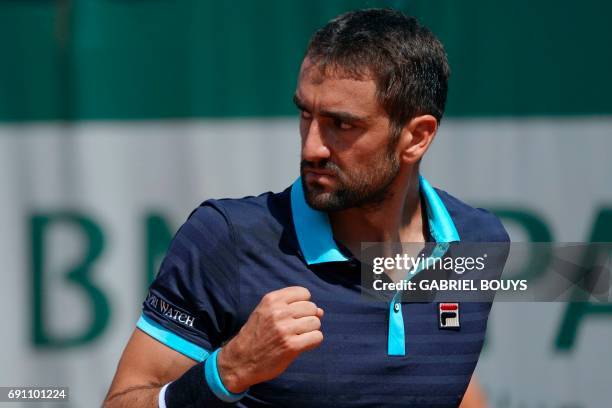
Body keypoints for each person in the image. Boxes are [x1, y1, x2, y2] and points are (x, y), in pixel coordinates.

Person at [104, 8, 508, 407]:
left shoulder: (479, 243)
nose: (312, 146)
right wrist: (226, 373)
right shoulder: (223, 239)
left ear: (416, 137)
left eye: (342, 124)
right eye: (305, 114)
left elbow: (434, 379)